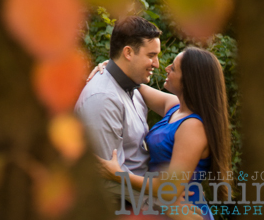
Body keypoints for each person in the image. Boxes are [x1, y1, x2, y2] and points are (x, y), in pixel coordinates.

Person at [96, 47, 232, 217]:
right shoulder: (176, 107)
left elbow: (169, 189)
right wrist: (111, 69)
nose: (166, 68)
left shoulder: (193, 127)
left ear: (188, 80)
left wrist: (118, 175)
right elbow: (135, 84)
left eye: (173, 68)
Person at [74, 16, 162, 207]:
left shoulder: (135, 90)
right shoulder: (103, 99)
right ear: (128, 53)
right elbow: (107, 181)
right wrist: (164, 205)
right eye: (151, 55)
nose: (157, 64)